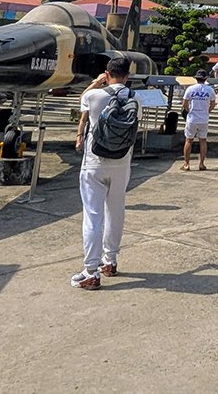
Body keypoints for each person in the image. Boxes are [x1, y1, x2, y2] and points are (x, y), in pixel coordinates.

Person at [71, 57, 137, 290]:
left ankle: (91, 270)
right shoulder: (133, 97)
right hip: (122, 163)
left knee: (93, 215)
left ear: (107, 74)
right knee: (116, 211)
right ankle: (110, 261)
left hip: (95, 162)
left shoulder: (94, 95)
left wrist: (98, 82)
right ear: (127, 76)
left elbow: (82, 99)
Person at [180, 75, 216, 170]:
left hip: (192, 118)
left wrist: (189, 110)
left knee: (188, 140)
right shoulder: (210, 90)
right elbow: (213, 103)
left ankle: (186, 164)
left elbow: (184, 103)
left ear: (196, 78)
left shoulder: (190, 88)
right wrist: (207, 111)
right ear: (205, 79)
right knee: (203, 141)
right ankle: (201, 163)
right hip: (203, 118)